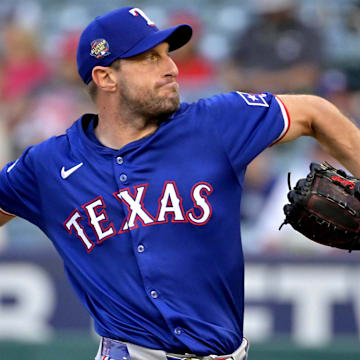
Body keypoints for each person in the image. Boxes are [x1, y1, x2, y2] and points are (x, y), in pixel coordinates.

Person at [0, 7, 359, 360]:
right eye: (150, 58)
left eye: (167, 55)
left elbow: (314, 112)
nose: (171, 68)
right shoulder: (47, 166)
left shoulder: (214, 124)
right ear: (106, 77)